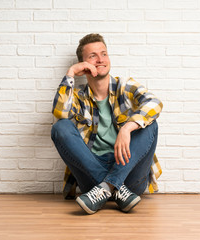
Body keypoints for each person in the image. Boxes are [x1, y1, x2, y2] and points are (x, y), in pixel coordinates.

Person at [51, 33, 163, 214]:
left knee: (150, 124)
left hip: (129, 171)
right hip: (92, 173)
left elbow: (155, 102)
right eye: (92, 56)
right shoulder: (78, 98)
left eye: (104, 54)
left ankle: (109, 186)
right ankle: (114, 189)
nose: (100, 59)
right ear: (83, 63)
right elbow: (60, 113)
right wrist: (70, 73)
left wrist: (127, 128)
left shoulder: (125, 85)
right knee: (60, 127)